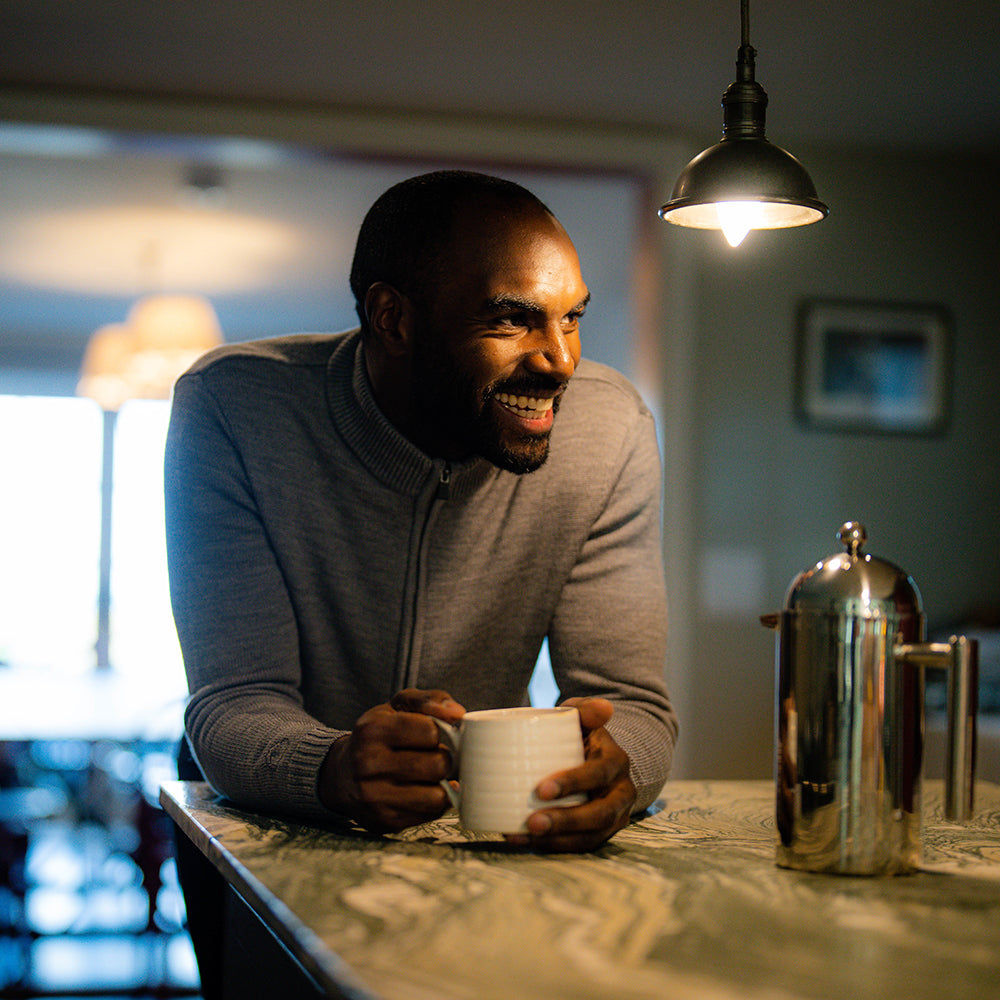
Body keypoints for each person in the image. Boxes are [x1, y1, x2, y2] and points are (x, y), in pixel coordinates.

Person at [164, 170, 677, 858]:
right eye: (512, 318)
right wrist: (331, 768)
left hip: (480, 832)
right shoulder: (234, 410)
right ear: (393, 318)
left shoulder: (609, 430)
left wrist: (621, 770)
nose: (562, 361)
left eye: (572, 316)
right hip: (264, 823)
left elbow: (632, 704)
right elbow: (234, 701)